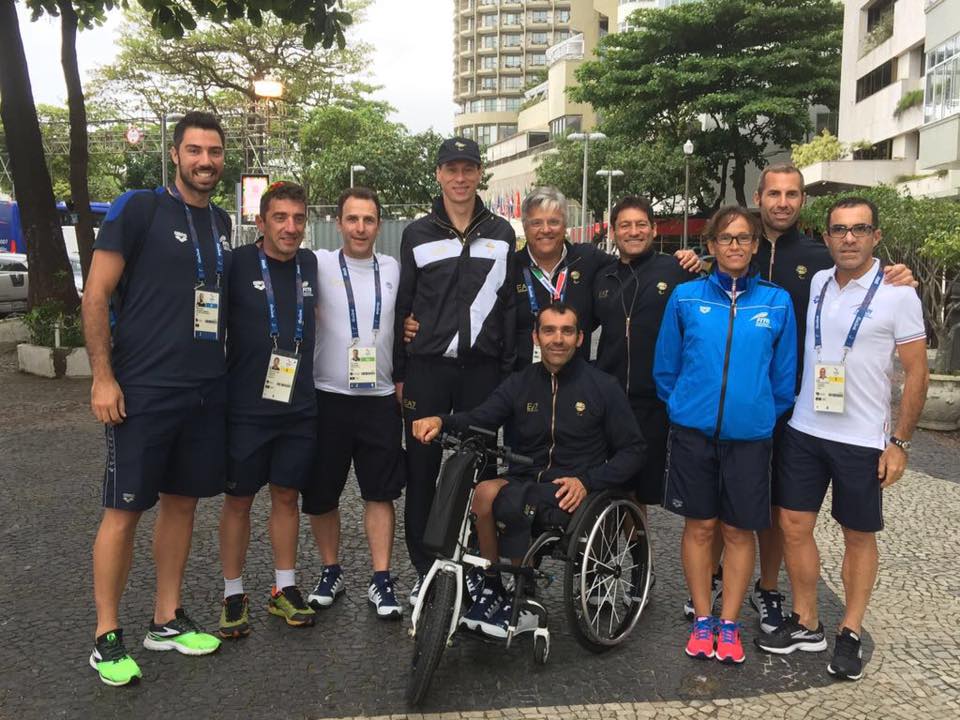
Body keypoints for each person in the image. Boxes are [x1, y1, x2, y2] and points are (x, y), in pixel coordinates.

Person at [704, 164, 916, 636]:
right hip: (748, 399)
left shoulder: (822, 259)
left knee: (784, 508)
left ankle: (769, 586)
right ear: (758, 196)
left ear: (802, 201)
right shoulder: (742, 249)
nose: (782, 202)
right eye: (773, 193)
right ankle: (721, 576)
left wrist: (898, 274)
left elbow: (868, 280)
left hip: (802, 402)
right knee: (735, 493)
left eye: (792, 194)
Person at [82, 112, 232, 686]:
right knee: (124, 510)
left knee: (183, 503)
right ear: (175, 154)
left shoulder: (219, 221)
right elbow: (95, 296)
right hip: (142, 388)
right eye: (194, 150)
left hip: (202, 391)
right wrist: (102, 377)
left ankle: (165, 619)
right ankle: (106, 635)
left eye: (214, 152)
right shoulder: (137, 208)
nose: (205, 161)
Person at [757, 197, 928, 681]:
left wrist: (901, 441)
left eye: (859, 229)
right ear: (826, 237)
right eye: (839, 230)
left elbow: (918, 374)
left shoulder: (899, 293)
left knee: (858, 534)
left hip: (861, 437)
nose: (848, 238)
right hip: (806, 428)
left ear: (876, 235)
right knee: (792, 524)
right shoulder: (818, 283)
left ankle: (850, 630)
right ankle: (807, 620)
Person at [412, 302, 645, 637]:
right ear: (536, 337)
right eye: (549, 330)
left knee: (514, 503)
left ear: (580, 338)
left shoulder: (602, 387)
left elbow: (634, 450)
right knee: (482, 492)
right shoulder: (520, 383)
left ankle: (521, 596)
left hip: (572, 485)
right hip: (525, 475)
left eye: (567, 331)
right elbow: (481, 418)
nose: (558, 339)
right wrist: (440, 420)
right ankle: (493, 587)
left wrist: (588, 480)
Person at [654, 205, 796, 665]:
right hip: (694, 434)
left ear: (755, 245)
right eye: (726, 238)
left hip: (750, 439)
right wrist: (682, 406)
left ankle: (729, 623)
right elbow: (666, 367)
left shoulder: (776, 302)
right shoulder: (685, 297)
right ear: (711, 246)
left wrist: (755, 414)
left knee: (738, 530)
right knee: (700, 526)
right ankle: (702, 617)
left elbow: (783, 378)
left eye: (744, 238)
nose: (735, 246)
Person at [394, 137, 516, 604]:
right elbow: (405, 303)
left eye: (468, 169)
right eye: (452, 169)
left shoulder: (502, 233)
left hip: (482, 372)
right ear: (439, 175)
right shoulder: (418, 233)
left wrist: (507, 374)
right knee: (422, 471)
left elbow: (509, 310)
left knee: (478, 473)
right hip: (427, 369)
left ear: (480, 173)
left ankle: (474, 567)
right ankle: (424, 571)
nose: (460, 178)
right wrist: (400, 372)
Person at [217, 181, 319, 638]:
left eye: (298, 218)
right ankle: (233, 592)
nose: (290, 227)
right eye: (280, 218)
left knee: (287, 496)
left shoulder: (311, 265)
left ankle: (284, 588)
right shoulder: (237, 264)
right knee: (238, 500)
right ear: (260, 222)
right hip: (245, 408)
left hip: (298, 408)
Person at [303, 188, 406, 620]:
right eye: (352, 219)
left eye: (368, 220)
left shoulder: (394, 269)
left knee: (379, 494)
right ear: (339, 222)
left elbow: (409, 317)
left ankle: (381, 579)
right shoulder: (320, 263)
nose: (360, 228)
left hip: (380, 399)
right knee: (322, 492)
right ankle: (331, 571)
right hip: (328, 395)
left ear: (378, 225)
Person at [593, 196, 699, 517]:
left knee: (655, 489)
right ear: (613, 232)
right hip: (610, 402)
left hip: (658, 402)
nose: (634, 232)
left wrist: (698, 261)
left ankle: (650, 559)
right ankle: (632, 559)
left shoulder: (678, 270)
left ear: (653, 229)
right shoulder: (603, 278)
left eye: (641, 225)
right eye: (625, 225)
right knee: (616, 489)